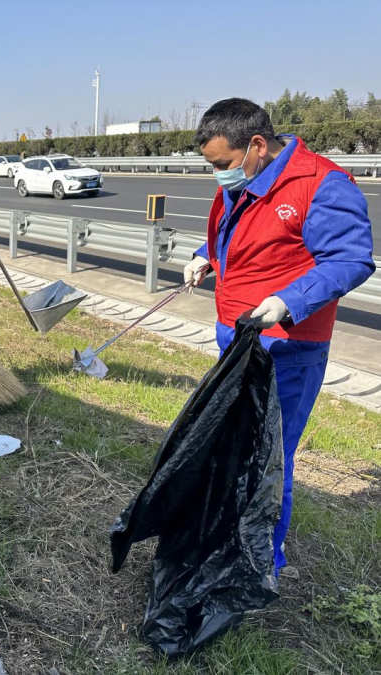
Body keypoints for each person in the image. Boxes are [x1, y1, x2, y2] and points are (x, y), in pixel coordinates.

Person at [184, 98, 375, 575]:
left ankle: (261, 560)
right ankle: (229, 534)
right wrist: (205, 255)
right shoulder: (243, 177)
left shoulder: (321, 185)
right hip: (235, 336)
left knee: (270, 455)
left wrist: (289, 302)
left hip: (287, 347)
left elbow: (350, 260)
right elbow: (236, 234)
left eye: (222, 165)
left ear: (256, 145)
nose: (218, 176)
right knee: (234, 443)